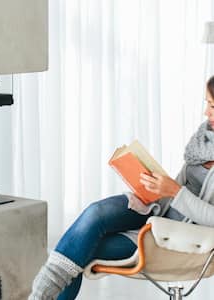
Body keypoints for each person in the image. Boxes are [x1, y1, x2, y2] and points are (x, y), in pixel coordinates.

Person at [28, 76, 214, 300]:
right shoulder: (203, 143)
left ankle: (38, 296)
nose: (206, 113)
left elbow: (183, 196)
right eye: (206, 103)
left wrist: (174, 192)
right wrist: (151, 191)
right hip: (156, 214)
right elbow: (177, 188)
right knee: (95, 213)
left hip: (176, 237)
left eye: (212, 105)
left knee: (79, 249)